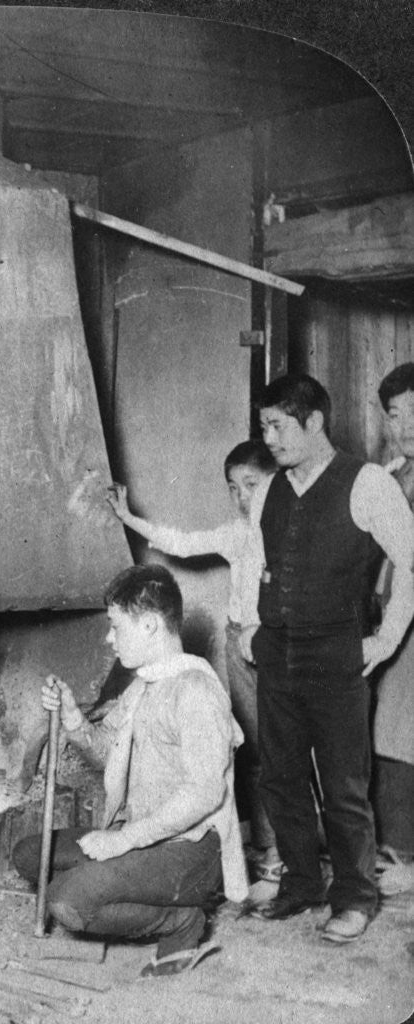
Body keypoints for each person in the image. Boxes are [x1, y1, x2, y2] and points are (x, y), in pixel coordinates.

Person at [13, 564, 247, 979]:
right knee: (31, 854)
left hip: (190, 851)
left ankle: (182, 921)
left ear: (151, 625)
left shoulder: (194, 691)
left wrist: (122, 841)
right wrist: (72, 719)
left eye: (116, 627)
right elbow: (108, 751)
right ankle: (125, 884)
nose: (109, 637)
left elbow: (204, 793)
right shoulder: (143, 686)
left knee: (67, 901)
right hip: (145, 834)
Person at [249, 373, 414, 943]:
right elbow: (254, 560)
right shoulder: (270, 488)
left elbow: (411, 563)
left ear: (314, 421)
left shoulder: (367, 482)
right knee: (282, 777)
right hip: (277, 654)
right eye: (264, 425)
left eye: (278, 425)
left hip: (337, 654)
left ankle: (354, 896)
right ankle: (300, 883)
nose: (268, 437)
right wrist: (251, 631)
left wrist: (387, 638)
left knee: (344, 787)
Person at [106, 440, 280, 880]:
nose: (241, 497)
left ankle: (297, 850)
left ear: (276, 482)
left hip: (282, 647)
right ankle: (270, 848)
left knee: (286, 750)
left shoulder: (290, 532)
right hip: (239, 645)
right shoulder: (236, 534)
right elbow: (182, 544)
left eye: (251, 485)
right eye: (233, 488)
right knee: (256, 749)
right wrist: (129, 518)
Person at [369, 364, 414, 894]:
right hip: (393, 614)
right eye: (398, 415)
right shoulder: (390, 473)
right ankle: (398, 846)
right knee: (389, 725)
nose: (407, 425)